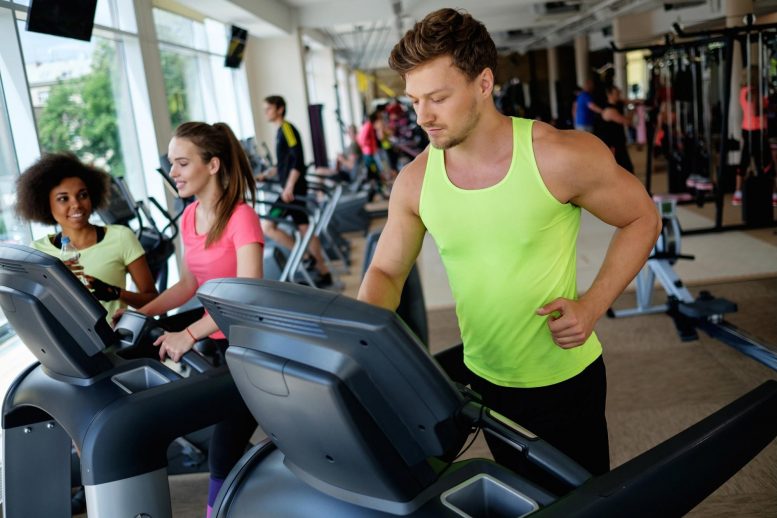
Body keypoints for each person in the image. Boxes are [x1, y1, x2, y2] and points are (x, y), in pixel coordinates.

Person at [358, 8, 660, 491]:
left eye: (437, 98)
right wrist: (360, 344)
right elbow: (387, 272)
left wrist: (593, 304)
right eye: (414, 100)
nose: (423, 117)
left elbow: (643, 216)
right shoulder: (415, 181)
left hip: (562, 380)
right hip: (484, 378)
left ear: (483, 83)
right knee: (519, 497)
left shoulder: (558, 155)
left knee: (580, 505)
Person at [134, 121, 264, 518]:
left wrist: (188, 333)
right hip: (215, 332)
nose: (172, 172)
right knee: (137, 345)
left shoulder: (241, 217)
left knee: (224, 449)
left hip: (250, 341)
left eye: (182, 162)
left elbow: (246, 295)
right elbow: (189, 283)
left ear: (212, 165)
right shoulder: (189, 217)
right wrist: (142, 313)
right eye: (171, 163)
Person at [15, 152, 158, 322]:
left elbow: (153, 300)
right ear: (46, 205)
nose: (76, 204)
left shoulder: (121, 237)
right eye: (63, 199)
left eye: (82, 195)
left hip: (112, 341)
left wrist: (115, 293)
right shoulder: (38, 251)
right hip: (67, 342)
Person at [258, 95, 332, 287]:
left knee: (268, 227)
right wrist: (268, 174)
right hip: (291, 189)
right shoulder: (280, 131)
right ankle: (323, 271)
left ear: (280, 109)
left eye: (269, 108)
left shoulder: (287, 129)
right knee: (304, 228)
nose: (266, 112)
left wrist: (289, 185)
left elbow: (297, 159)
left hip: (290, 191)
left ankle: (306, 256)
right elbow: (285, 162)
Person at [733, 65, 773, 206]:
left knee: (747, 159)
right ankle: (773, 193)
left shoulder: (743, 91)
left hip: (747, 128)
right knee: (766, 160)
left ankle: (737, 193)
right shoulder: (754, 92)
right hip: (757, 130)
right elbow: (756, 110)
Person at [597, 85, 634, 173]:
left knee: (626, 168)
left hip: (619, 142)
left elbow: (630, 101)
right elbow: (627, 121)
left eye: (618, 93)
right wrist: (631, 111)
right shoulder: (609, 110)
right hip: (612, 144)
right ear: (609, 95)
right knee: (622, 169)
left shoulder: (618, 103)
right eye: (616, 93)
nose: (618, 95)